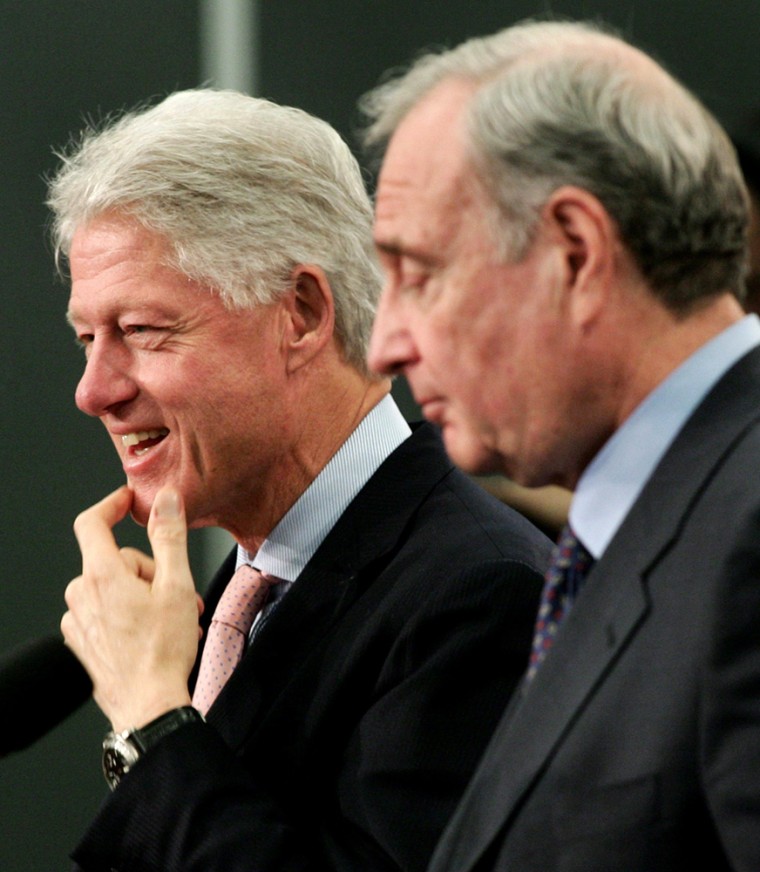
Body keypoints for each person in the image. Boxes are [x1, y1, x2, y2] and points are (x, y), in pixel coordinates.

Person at [49, 88, 551, 872]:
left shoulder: (479, 596)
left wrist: (150, 718)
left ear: (304, 314)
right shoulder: (234, 602)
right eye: (87, 337)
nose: (93, 390)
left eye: (140, 331)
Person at [362, 19, 760, 871]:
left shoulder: (746, 531)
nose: (384, 345)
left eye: (419, 275)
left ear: (576, 254)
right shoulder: (636, 534)